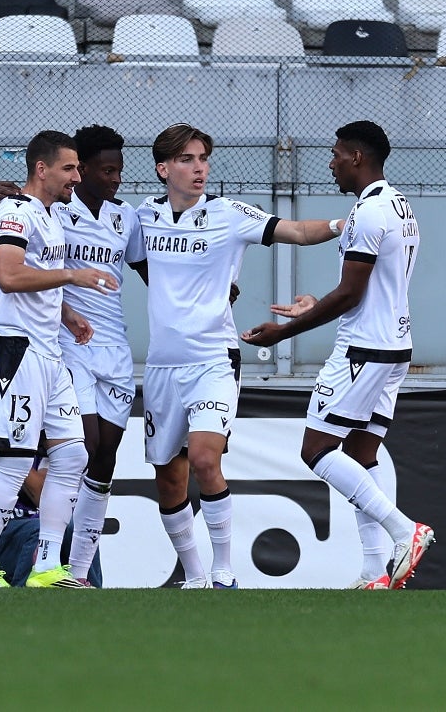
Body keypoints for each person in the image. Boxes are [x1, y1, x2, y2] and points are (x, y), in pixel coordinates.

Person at [136, 122, 344, 589]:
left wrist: (342, 225)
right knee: (168, 477)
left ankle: (224, 570)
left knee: (205, 459)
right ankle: (194, 577)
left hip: (214, 359)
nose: (199, 168)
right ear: (163, 169)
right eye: (187, 160)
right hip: (163, 366)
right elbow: (131, 259)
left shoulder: (228, 213)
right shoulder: (143, 217)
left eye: (203, 159)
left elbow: (296, 230)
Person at [242, 121, 433, 590]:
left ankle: (404, 530)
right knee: (360, 456)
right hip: (394, 346)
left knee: (316, 450)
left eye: (336, 154)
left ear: (356, 157)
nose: (331, 163)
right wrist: (314, 304)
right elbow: (370, 286)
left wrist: (284, 332)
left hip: (363, 349)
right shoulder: (399, 205)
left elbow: (350, 293)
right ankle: (373, 571)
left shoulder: (368, 212)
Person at [0, 129, 118, 588]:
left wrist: (67, 315)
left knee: (72, 454)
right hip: (16, 348)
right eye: (69, 168)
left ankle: (47, 565)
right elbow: (9, 276)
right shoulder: (15, 210)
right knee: (15, 461)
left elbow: (38, 276)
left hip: (48, 350)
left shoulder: (51, 216)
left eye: (78, 168)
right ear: (41, 169)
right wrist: (72, 276)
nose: (77, 177)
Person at [54, 125, 147, 586]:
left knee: (105, 459)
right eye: (106, 170)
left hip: (115, 350)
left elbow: (152, 273)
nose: (115, 178)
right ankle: (49, 557)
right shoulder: (56, 211)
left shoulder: (125, 217)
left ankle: (78, 573)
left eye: (119, 171)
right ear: (83, 169)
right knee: (83, 448)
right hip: (71, 344)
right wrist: (66, 313)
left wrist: (211, 291)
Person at [0, 404, 102, 586]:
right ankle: (23, 593)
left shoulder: (49, 443)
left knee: (78, 529)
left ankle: (89, 588)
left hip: (40, 529)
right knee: (38, 530)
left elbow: (40, 496)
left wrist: (14, 452)